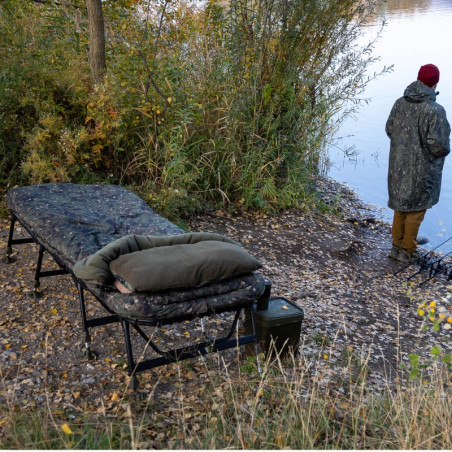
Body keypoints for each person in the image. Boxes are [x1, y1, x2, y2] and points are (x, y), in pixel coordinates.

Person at [386, 63, 451, 263]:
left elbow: (390, 129)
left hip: (398, 165)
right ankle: (408, 251)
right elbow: (438, 145)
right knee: (416, 209)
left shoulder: (400, 103)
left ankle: (396, 247)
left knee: (400, 205)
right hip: (423, 169)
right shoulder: (435, 110)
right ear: (435, 83)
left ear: (418, 79)